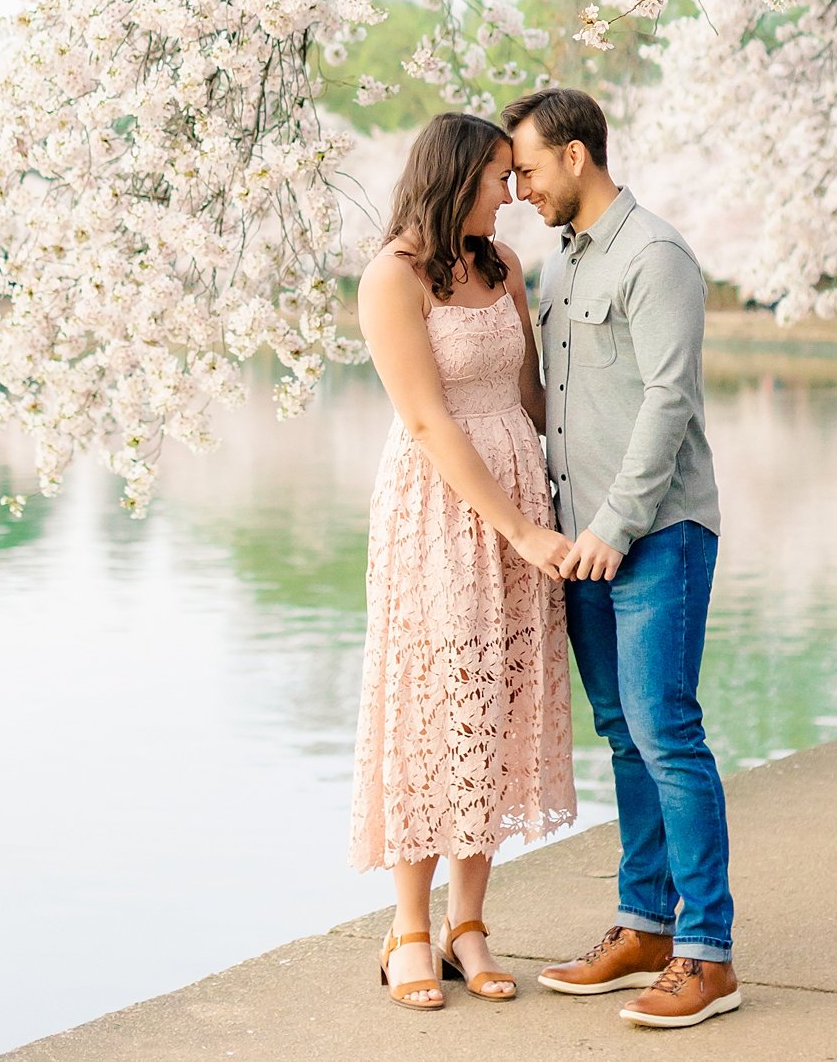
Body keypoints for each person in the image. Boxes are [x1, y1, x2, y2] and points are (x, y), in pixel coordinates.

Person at [503, 86, 741, 1031]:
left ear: (574, 155)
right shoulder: (558, 268)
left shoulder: (657, 257)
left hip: (658, 533)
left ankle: (708, 952)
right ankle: (644, 923)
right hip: (584, 545)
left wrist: (616, 524)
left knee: (666, 730)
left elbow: (667, 402)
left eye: (525, 167)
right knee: (621, 732)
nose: (517, 187)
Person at [349, 111, 577, 1011]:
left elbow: (530, 394)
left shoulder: (505, 267)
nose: (510, 192)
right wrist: (518, 531)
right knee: (430, 703)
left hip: (522, 489)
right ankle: (407, 927)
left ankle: (469, 922)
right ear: (454, 179)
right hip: (440, 507)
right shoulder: (391, 277)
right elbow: (428, 419)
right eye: (495, 177)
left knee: (498, 695)